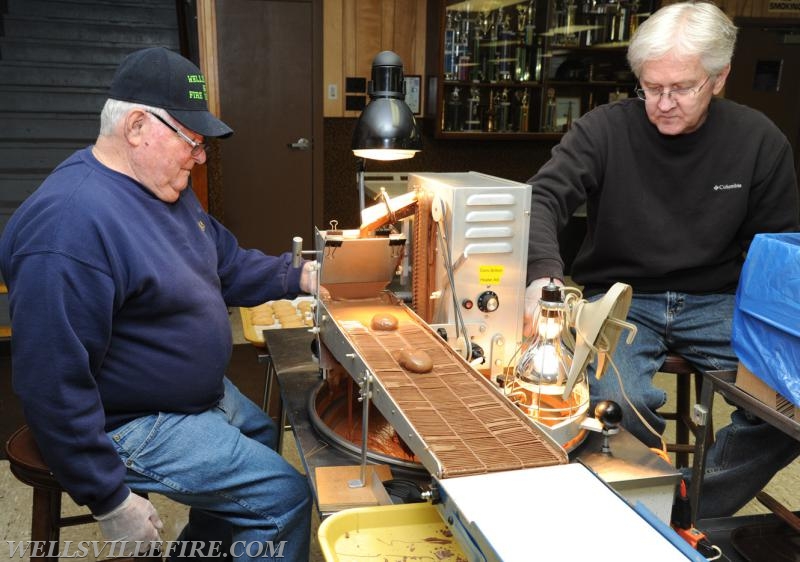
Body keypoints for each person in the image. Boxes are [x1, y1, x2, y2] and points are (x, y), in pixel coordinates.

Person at [0, 47, 314, 561]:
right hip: (126, 421)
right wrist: (109, 497)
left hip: (188, 396)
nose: (201, 156)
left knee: (260, 432)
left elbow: (226, 264)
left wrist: (300, 274)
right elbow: (50, 380)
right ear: (138, 126)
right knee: (283, 498)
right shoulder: (70, 226)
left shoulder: (165, 189)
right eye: (192, 141)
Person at [524, 2, 800, 519]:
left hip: (720, 301)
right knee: (613, 402)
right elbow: (542, 199)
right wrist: (543, 276)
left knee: (792, 401)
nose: (663, 103)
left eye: (681, 88)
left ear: (719, 79)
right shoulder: (602, 130)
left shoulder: (760, 141)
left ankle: (684, 509)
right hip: (621, 298)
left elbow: (778, 248)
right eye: (651, 88)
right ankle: (637, 503)